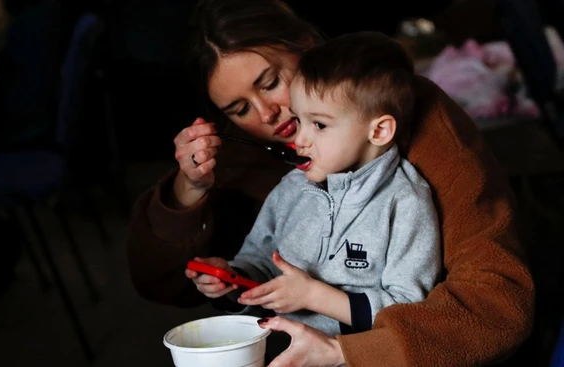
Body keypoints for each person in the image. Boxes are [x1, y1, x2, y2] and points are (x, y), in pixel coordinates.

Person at [126, 0, 535, 365]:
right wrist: (198, 209)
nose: (267, 114)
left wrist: (343, 347)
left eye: (269, 82)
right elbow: (160, 283)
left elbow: (494, 303)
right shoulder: (272, 171)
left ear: (306, 44)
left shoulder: (411, 166)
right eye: (238, 108)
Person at [187, 31, 441, 338]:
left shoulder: (405, 202)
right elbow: (259, 261)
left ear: (380, 131)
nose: (300, 138)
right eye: (299, 119)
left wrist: (314, 297)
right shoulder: (291, 188)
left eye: (318, 124)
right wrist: (234, 277)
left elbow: (409, 311)